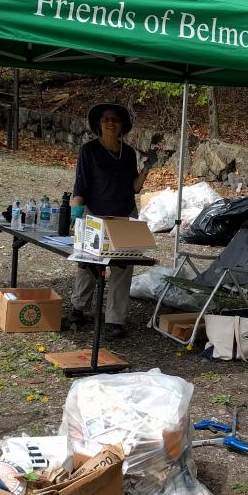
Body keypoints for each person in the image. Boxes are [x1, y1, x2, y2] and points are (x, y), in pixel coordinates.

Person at [68, 102, 150, 338]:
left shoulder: (128, 154)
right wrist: (76, 216)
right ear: (98, 124)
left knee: (123, 268)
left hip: (125, 215)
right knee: (89, 264)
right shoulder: (89, 150)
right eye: (106, 119)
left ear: (122, 125)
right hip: (96, 214)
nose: (111, 123)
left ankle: (115, 320)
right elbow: (80, 185)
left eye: (115, 119)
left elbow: (133, 188)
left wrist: (145, 171)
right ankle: (78, 307)